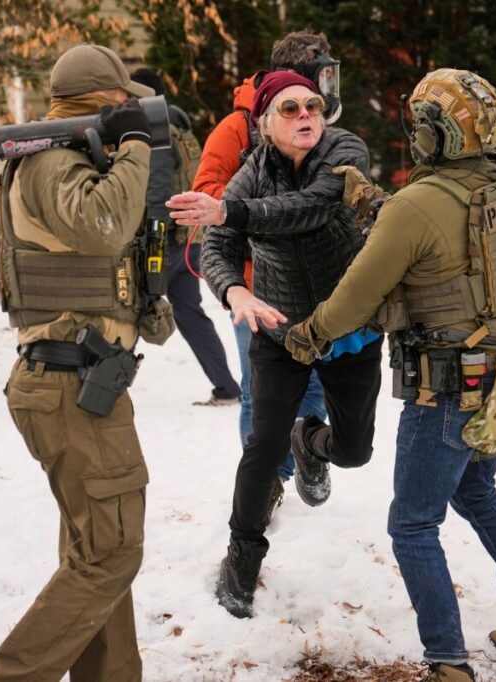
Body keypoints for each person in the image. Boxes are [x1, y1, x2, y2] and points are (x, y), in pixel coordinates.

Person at [285, 69, 496, 682]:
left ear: (436, 135)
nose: (415, 134)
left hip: (447, 387)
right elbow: (445, 238)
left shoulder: (418, 205)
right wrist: (373, 201)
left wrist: (308, 333)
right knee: (475, 490)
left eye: (420, 124)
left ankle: (448, 663)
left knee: (412, 525)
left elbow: (355, 298)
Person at [0, 44, 173, 682]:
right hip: (71, 386)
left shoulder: (67, 157)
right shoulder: (51, 160)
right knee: (110, 554)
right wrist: (136, 145)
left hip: (79, 381)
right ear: (108, 98)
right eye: (125, 100)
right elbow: (104, 224)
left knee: (96, 550)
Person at [167, 71, 379, 619]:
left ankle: (311, 441)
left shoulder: (345, 152)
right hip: (280, 328)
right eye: (290, 108)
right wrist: (234, 290)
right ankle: (242, 557)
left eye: (313, 104)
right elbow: (215, 247)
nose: (306, 114)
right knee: (262, 446)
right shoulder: (250, 175)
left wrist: (230, 213)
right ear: (264, 123)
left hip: (347, 327)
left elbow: (312, 206)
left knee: (354, 451)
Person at [191, 32, 340, 519]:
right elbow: (207, 194)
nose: (313, 104)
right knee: (260, 392)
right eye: (320, 75)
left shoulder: (318, 122)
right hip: (256, 284)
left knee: (316, 382)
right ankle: (267, 481)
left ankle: (304, 454)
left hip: (316, 281)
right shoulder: (236, 127)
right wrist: (260, 204)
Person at [129, 67, 242, 407]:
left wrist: (153, 242)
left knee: (129, 310)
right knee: (190, 313)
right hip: (189, 238)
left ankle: (105, 390)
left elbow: (158, 190)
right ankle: (226, 387)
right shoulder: (179, 127)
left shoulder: (154, 131)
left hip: (165, 241)